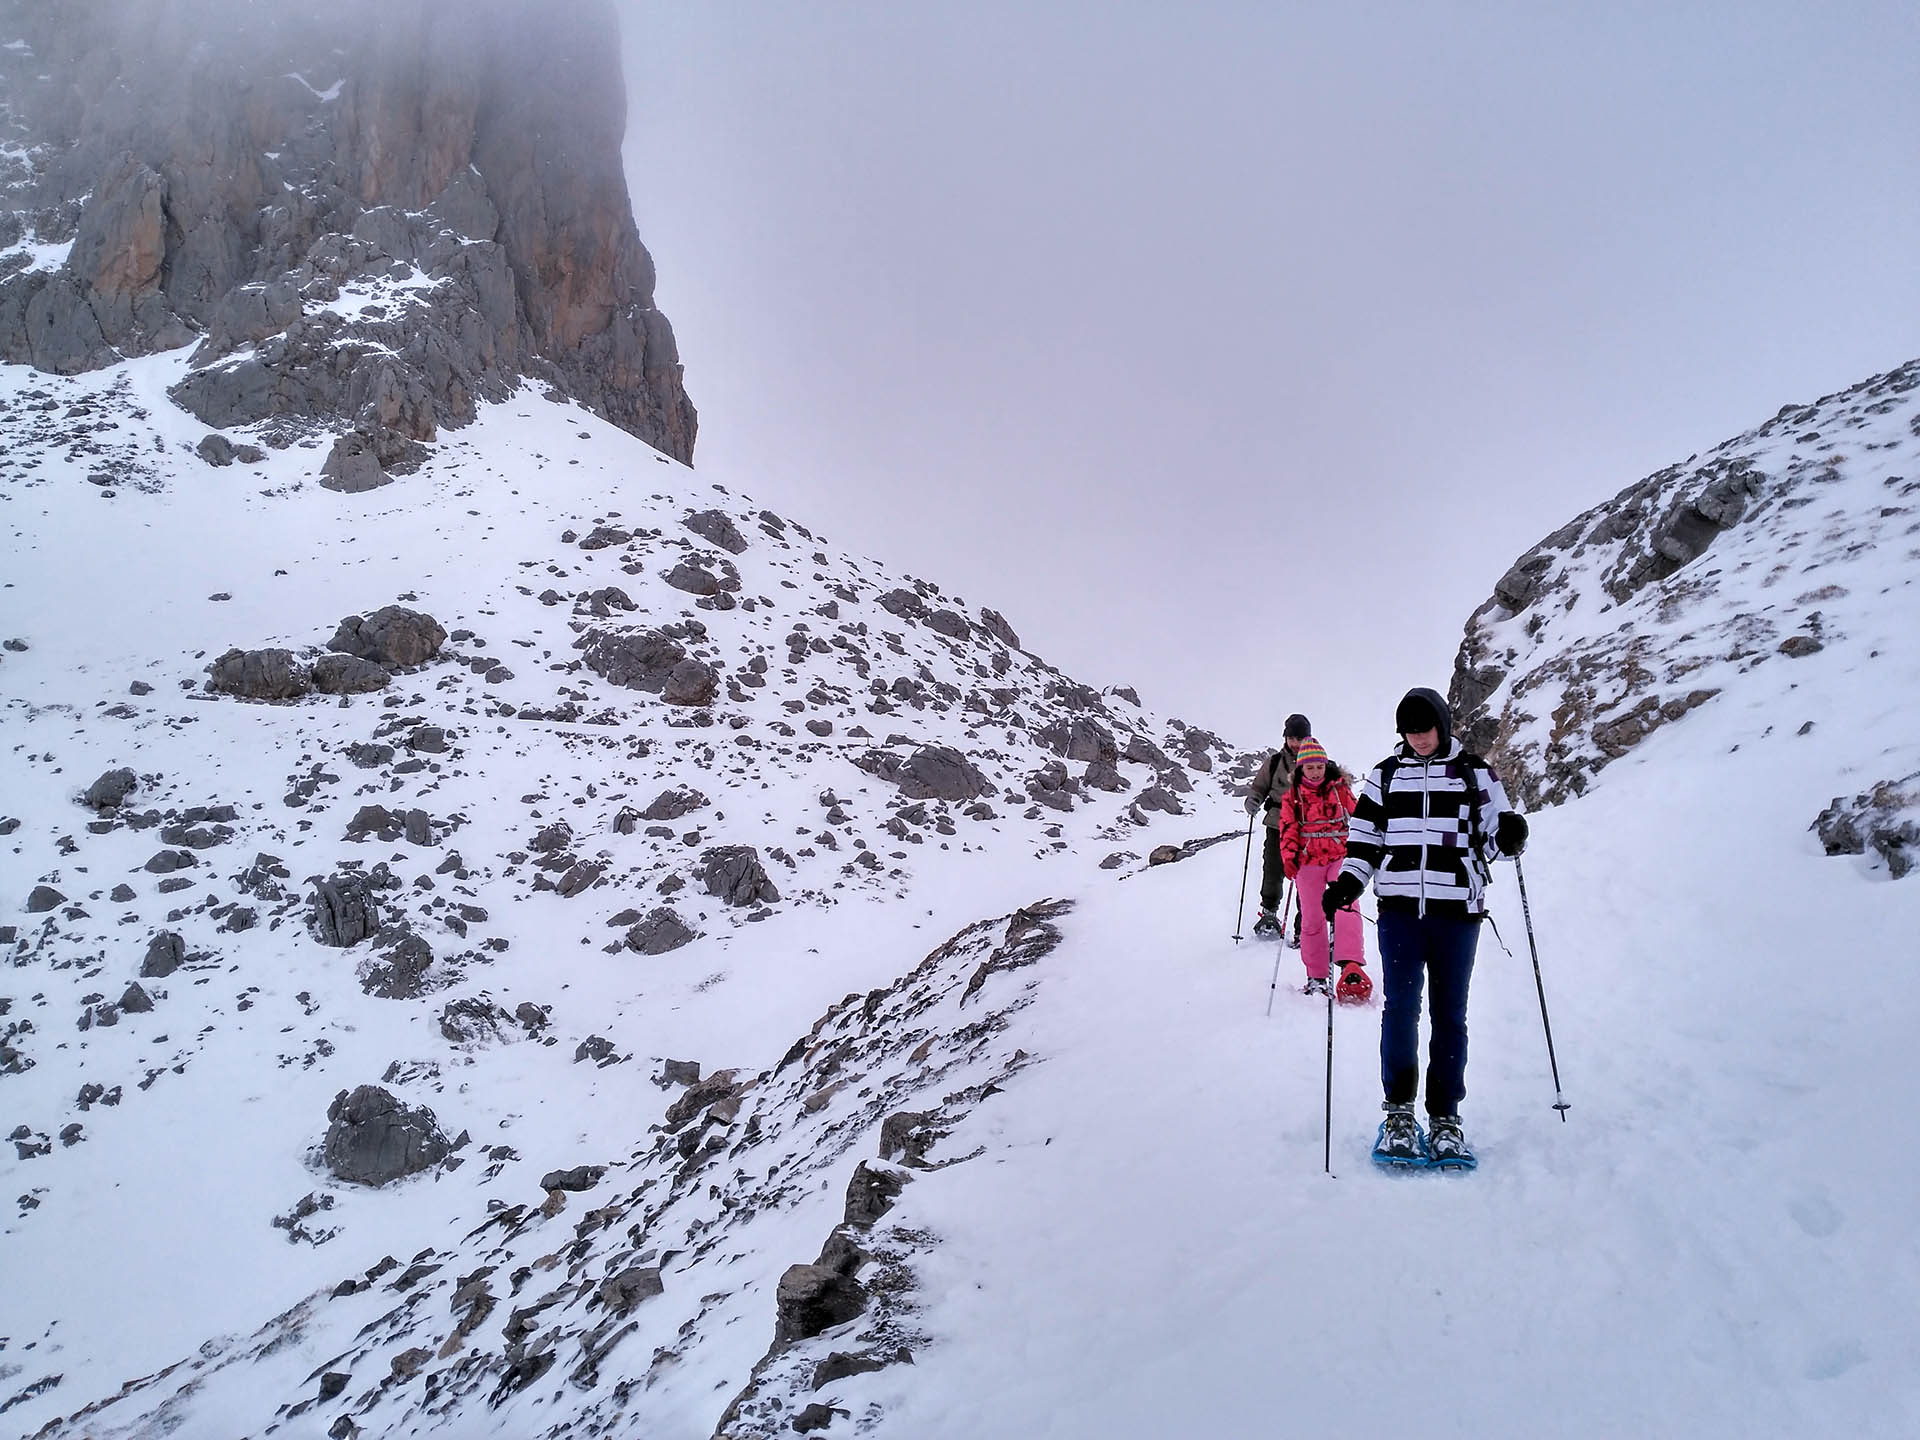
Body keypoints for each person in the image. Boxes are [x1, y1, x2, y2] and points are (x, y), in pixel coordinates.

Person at [1322, 687, 1529, 1168]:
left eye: (1425, 729)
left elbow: (1497, 837)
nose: (1417, 739)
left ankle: (1445, 1118)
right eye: (1409, 732)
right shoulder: (1386, 776)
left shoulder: (1475, 773)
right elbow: (1366, 839)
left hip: (1458, 913)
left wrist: (1511, 835)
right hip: (1398, 913)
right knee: (1400, 1011)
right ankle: (1398, 1114)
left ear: (1443, 725)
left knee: (1450, 1015)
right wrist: (1349, 884)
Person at [1277, 737, 1366, 997]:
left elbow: (1358, 817)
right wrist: (1289, 857)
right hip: (1308, 862)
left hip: (1340, 854)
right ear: (1301, 769)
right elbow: (1287, 828)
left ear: (1326, 766)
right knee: (1312, 918)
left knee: (1347, 904)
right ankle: (1316, 975)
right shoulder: (1292, 796)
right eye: (1310, 767)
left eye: (1319, 766)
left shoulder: (1340, 790)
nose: (1315, 772)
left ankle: (1351, 964)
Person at [1244, 713, 1311, 937]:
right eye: (1292, 738)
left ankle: (1307, 919)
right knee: (1273, 868)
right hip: (1277, 823)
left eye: (1300, 739)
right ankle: (1269, 912)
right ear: (1286, 738)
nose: (1296, 743)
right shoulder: (1273, 763)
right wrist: (1253, 800)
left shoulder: (1316, 762)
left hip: (1306, 828)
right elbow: (1259, 787)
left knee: (1306, 873)